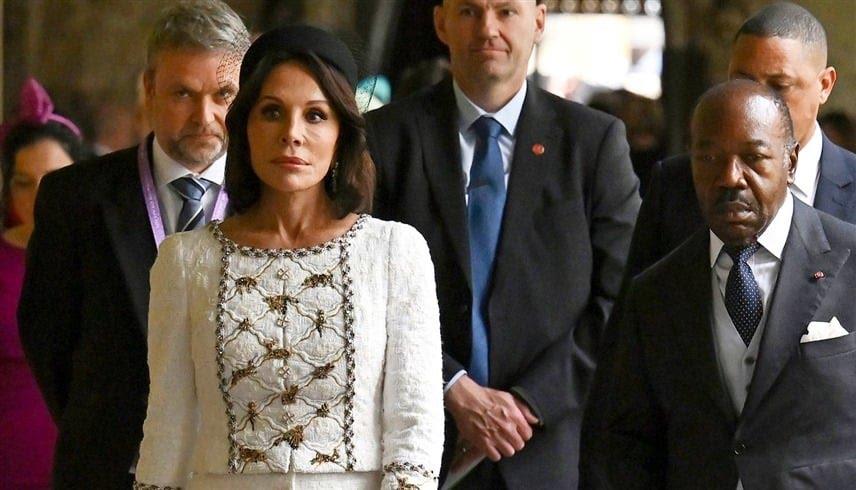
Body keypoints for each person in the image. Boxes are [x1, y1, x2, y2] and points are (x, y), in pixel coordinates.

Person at [134, 25, 444, 489]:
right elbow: (166, 431)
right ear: (245, 128)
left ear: (341, 133)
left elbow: (415, 428)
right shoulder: (186, 262)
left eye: (315, 115)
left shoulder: (393, 252)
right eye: (272, 112)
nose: (291, 135)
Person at [366, 1, 640, 488]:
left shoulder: (593, 144)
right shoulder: (385, 139)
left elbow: (623, 299)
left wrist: (529, 403)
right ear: (441, 22)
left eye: (506, 11)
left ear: (539, 21)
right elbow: (362, 290)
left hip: (551, 453)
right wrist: (452, 386)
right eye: (469, 11)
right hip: (419, 450)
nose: (487, 28)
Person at [17, 1, 249, 487]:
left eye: (223, 94)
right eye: (183, 93)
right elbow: (47, 337)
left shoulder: (271, 200)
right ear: (149, 88)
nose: (205, 116)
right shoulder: (74, 198)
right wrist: (103, 432)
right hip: (108, 469)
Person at [582, 79, 856, 489]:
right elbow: (628, 443)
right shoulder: (655, 292)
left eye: (754, 157)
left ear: (791, 161)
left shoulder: (850, 260)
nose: (730, 178)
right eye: (709, 158)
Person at [626, 1, 856, 279]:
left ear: (825, 85)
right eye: (743, 83)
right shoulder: (676, 186)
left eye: (779, 86)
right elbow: (642, 299)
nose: (757, 101)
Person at [0, 78, 89, 489]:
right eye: (23, 183)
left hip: (90, 460)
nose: (39, 198)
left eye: (53, 180)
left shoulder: (106, 258)